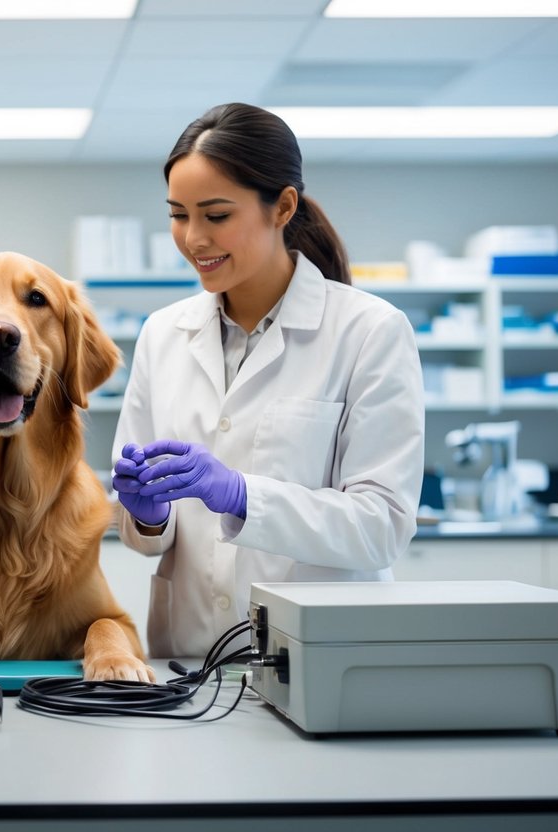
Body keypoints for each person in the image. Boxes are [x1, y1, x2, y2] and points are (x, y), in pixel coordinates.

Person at [112, 102, 424, 658]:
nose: (193, 239)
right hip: (192, 657)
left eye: (216, 215)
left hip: (322, 656)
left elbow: (382, 527)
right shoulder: (162, 335)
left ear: (282, 207)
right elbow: (142, 539)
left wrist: (239, 495)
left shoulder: (370, 331)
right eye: (178, 215)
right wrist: (144, 513)